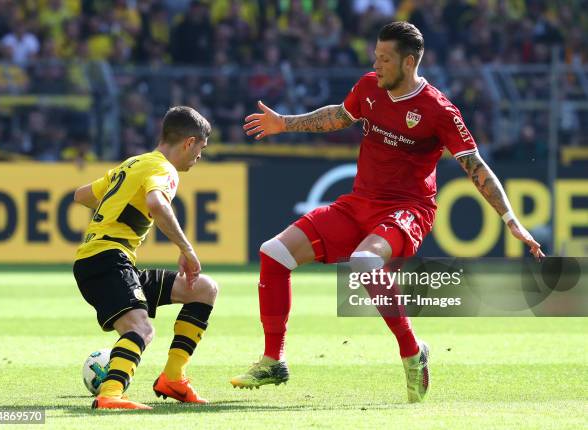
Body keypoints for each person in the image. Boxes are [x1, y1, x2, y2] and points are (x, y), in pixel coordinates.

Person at [231, 21, 544, 403]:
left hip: (407, 210)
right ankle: (273, 359)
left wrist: (510, 220)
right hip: (358, 203)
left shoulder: (439, 109)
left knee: (364, 261)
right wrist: (285, 123)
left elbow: (475, 166)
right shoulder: (368, 87)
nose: (376, 65)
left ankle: (412, 353)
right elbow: (338, 116)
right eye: (375, 57)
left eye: (384, 59)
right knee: (273, 253)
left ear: (409, 62)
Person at [73, 106, 217, 410]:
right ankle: (110, 394)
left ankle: (173, 378)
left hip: (110, 259)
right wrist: (187, 249)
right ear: (189, 142)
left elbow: (82, 195)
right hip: (106, 258)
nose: (200, 156)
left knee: (203, 289)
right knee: (140, 328)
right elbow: (156, 202)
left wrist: (117, 199)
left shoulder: (134, 164)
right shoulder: (165, 169)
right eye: (201, 148)